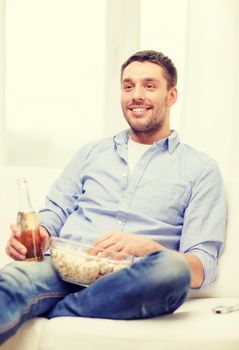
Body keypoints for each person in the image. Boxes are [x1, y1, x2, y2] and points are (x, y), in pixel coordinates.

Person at [0, 50, 226, 344]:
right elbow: (55, 211)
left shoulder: (201, 169)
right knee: (12, 281)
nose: (136, 95)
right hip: (65, 267)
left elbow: (202, 266)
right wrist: (41, 233)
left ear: (172, 96)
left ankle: (59, 312)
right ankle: (69, 308)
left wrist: (148, 248)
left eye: (149, 85)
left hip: (131, 280)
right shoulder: (92, 153)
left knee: (174, 270)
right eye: (128, 86)